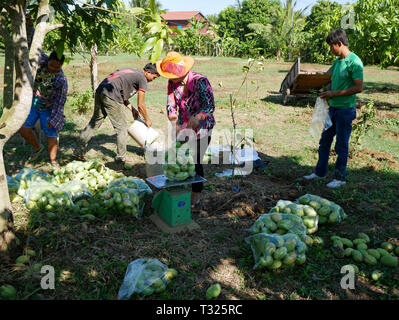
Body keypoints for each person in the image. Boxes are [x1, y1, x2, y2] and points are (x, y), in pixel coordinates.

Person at [304, 29, 364, 188]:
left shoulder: (354, 62)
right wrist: (326, 90)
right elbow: (332, 81)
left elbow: (359, 87)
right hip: (333, 109)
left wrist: (334, 93)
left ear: (339, 43)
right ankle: (319, 173)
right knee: (324, 142)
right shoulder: (337, 62)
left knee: (341, 145)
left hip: (345, 110)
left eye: (332, 46)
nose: (331, 49)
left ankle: (339, 178)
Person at [156, 51, 216, 208]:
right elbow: (171, 103)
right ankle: (178, 192)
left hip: (202, 128)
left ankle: (195, 196)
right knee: (178, 158)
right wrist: (174, 120)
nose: (170, 79)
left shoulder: (200, 82)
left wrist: (198, 118)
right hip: (182, 127)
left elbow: (209, 106)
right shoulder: (172, 82)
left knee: (194, 161)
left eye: (172, 75)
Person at [74, 63, 160, 164]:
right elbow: (141, 105)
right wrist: (147, 120)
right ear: (148, 72)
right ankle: (121, 158)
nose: (152, 80)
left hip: (101, 91)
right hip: (111, 95)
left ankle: (78, 151)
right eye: (153, 77)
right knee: (122, 128)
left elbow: (121, 93)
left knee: (95, 122)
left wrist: (132, 109)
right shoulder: (142, 78)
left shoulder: (133, 71)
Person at [19, 50, 68, 168]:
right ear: (48, 61)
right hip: (33, 106)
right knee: (24, 129)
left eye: (58, 67)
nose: (53, 68)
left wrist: (54, 119)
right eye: (52, 65)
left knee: (51, 133)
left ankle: (53, 160)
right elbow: (35, 48)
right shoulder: (41, 62)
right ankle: (37, 147)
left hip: (48, 109)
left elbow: (60, 102)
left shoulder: (61, 80)